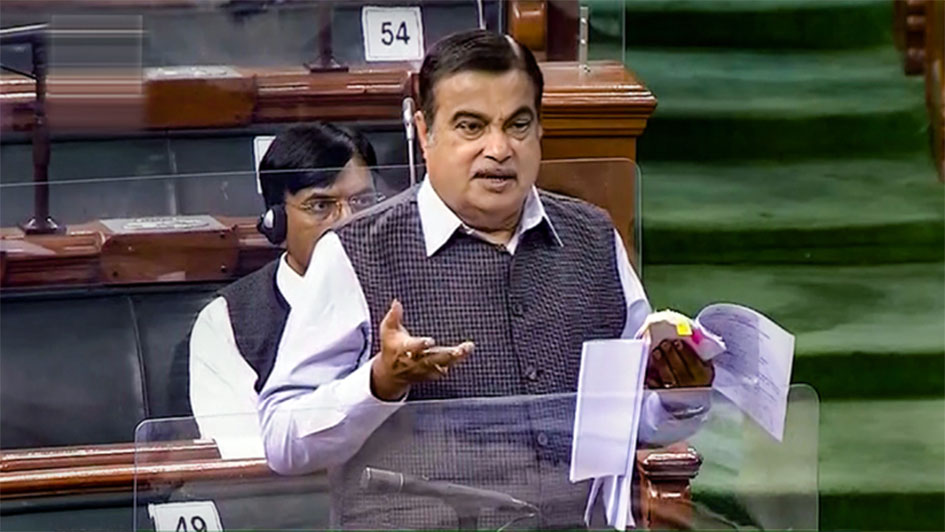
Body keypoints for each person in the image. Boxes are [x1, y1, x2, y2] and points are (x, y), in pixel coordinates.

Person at [258, 30, 713, 527]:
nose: (499, 149)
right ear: (424, 133)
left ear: (540, 130)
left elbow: (631, 418)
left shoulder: (593, 236)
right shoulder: (354, 251)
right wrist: (380, 383)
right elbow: (282, 438)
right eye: (471, 127)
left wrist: (676, 397)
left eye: (518, 125)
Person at [181, 122, 379, 457]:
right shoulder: (228, 321)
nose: (348, 221)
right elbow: (247, 454)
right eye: (320, 205)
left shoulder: (416, 287)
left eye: (362, 201)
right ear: (276, 222)